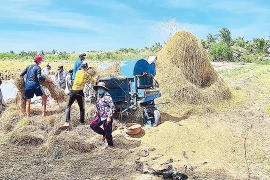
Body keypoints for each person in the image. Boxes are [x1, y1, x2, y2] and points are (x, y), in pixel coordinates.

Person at [62, 62, 97, 127]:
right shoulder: (87, 74)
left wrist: (85, 80)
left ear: (81, 67)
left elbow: (78, 79)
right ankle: (81, 121)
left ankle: (67, 121)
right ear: (86, 67)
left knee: (68, 106)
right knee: (82, 108)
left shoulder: (78, 72)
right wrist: (96, 79)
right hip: (80, 92)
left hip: (73, 91)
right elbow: (94, 80)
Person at [90, 81, 115, 147]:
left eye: (101, 88)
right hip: (100, 116)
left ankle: (110, 145)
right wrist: (96, 113)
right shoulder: (99, 95)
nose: (99, 90)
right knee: (93, 126)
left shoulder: (107, 96)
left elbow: (112, 107)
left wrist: (109, 117)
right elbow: (98, 105)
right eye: (98, 88)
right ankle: (104, 133)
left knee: (108, 133)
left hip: (106, 117)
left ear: (104, 89)